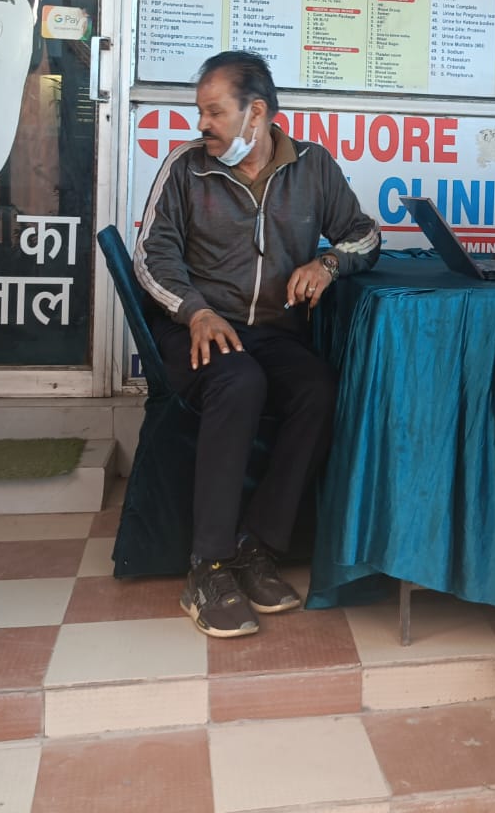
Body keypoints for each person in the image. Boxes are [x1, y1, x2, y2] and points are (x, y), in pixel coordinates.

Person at [134, 50, 380, 637]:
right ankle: (208, 566)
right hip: (195, 329)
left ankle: (256, 546)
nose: (203, 124)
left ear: (258, 113)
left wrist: (328, 263)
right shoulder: (186, 168)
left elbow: (365, 235)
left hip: (271, 332)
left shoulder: (313, 167)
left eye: (214, 112)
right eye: (201, 112)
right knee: (239, 380)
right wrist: (194, 312)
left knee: (319, 392)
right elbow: (151, 256)